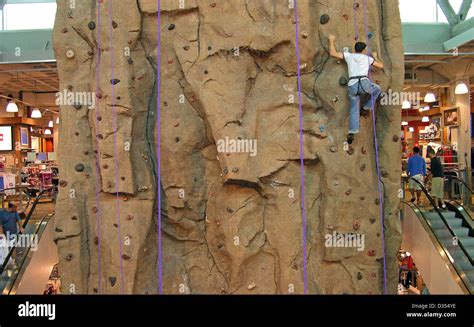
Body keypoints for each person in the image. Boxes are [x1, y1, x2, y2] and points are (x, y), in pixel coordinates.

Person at [328, 35, 384, 144]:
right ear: (364, 50)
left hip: (352, 84)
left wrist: (331, 40)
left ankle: (352, 132)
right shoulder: (368, 58)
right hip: (364, 83)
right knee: (377, 89)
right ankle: (366, 107)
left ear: (355, 49)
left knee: (354, 107)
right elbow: (381, 66)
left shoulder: (349, 56)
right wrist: (375, 56)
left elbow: (333, 53)